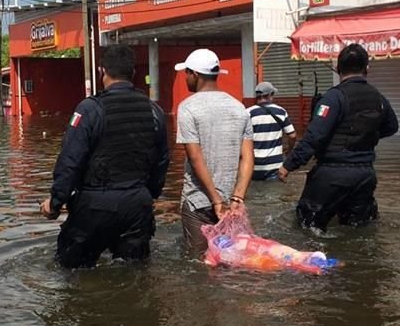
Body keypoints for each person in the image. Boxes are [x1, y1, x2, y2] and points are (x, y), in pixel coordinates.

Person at [40, 44, 170, 268]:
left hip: (95, 205)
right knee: (134, 273)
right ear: (134, 73)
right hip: (137, 206)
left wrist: (55, 201)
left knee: (71, 271)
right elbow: (162, 161)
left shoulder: (90, 109)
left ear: (102, 72)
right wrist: (147, 194)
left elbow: (70, 161)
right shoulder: (154, 111)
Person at [279, 43, 399, 230]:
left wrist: (289, 165)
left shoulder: (333, 98)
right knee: (359, 230)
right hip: (365, 175)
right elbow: (392, 127)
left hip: (332, 174)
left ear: (337, 68)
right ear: (367, 68)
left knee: (306, 226)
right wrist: (365, 136)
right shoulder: (378, 98)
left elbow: (314, 136)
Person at [175, 48, 254, 246]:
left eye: (187, 73)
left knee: (199, 265)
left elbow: (195, 158)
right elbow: (247, 157)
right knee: (228, 261)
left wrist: (215, 200)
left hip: (198, 202)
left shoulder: (187, 107)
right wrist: (237, 197)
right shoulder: (239, 108)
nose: (185, 78)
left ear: (195, 74)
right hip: (231, 203)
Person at [247, 81, 297, 181]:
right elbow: (292, 135)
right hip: (274, 166)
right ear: (270, 95)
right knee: (274, 194)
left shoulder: (248, 113)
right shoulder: (281, 112)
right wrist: (289, 149)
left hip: (253, 166)